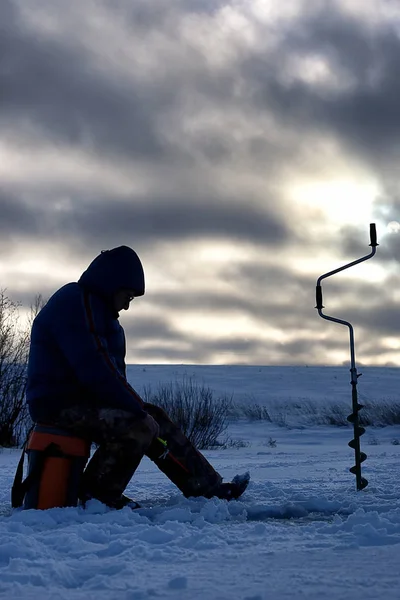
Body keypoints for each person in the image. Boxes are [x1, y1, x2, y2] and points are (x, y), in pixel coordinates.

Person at [26, 246, 249, 509]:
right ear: (111, 285)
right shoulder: (77, 302)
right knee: (139, 424)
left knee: (154, 419)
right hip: (57, 405)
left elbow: (110, 375)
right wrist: (137, 412)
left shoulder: (102, 315)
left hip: (82, 402)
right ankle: (97, 495)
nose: (127, 306)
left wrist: (140, 411)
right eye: (127, 297)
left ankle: (208, 489)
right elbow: (96, 370)